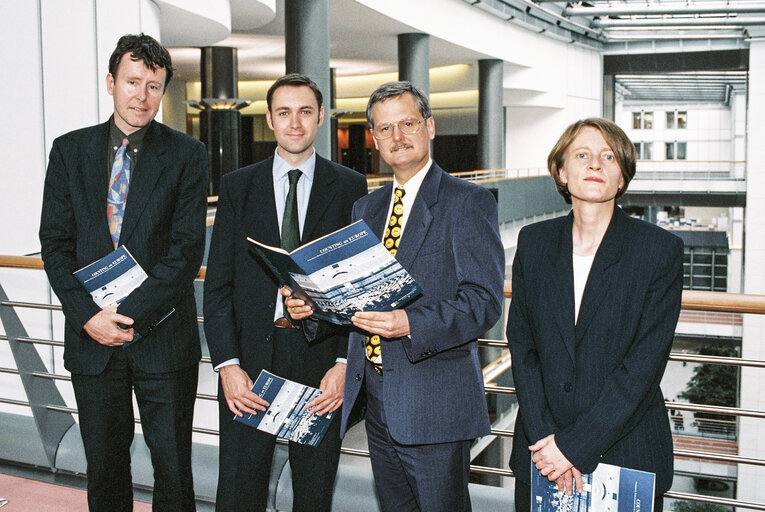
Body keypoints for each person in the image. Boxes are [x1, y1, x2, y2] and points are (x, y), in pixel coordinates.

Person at [287, 81, 505, 511]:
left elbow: (484, 302)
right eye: (385, 129)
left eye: (407, 123)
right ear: (374, 139)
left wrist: (411, 323)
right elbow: (354, 299)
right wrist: (312, 307)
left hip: (435, 403)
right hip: (377, 399)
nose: (398, 137)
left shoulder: (469, 202)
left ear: (430, 126)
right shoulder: (366, 208)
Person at [39, 33, 207, 511]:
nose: (142, 96)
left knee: (173, 470)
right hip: (91, 340)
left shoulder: (187, 155)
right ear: (111, 83)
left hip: (163, 340)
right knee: (106, 469)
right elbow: (54, 242)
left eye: (154, 86)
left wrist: (126, 314)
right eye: (133, 82)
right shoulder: (69, 151)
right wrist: (88, 316)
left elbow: (184, 252)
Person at [203, 73, 367, 512]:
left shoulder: (350, 186)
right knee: (239, 494)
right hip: (249, 371)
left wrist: (342, 364)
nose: (295, 123)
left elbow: (357, 287)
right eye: (284, 113)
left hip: (320, 369)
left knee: (313, 498)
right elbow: (218, 286)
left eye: (305, 112)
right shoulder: (238, 187)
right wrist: (227, 368)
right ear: (271, 120)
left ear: (320, 119)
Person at [506, 118, 683, 511]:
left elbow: (643, 366)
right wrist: (548, 442)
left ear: (622, 177)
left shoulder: (659, 251)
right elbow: (523, 346)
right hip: (541, 451)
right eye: (582, 155)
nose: (595, 165)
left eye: (609, 157)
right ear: (561, 171)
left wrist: (573, 447)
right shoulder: (533, 243)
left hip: (626, 453)